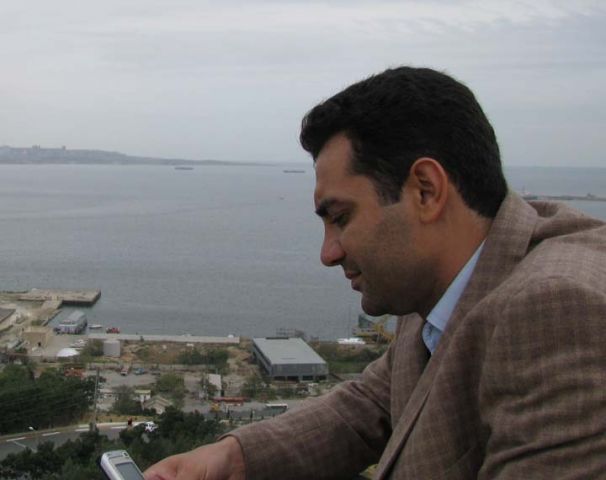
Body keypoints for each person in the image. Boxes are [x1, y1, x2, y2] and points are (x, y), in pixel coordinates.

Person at [145, 67, 606, 479]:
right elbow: (371, 405)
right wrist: (233, 459)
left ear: (426, 191)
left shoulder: (557, 310)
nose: (328, 254)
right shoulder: (438, 283)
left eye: (341, 217)